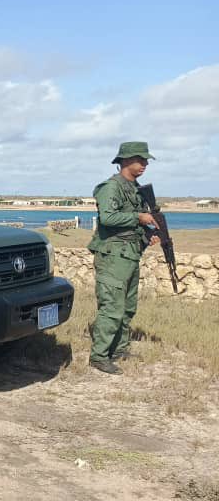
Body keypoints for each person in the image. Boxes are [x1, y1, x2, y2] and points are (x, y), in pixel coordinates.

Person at [87, 141, 161, 374]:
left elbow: (131, 223)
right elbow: (108, 218)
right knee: (112, 307)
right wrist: (139, 218)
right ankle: (99, 356)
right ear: (126, 160)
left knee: (128, 307)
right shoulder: (111, 187)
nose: (145, 164)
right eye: (142, 160)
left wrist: (147, 235)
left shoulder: (134, 188)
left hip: (129, 254)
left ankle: (119, 349)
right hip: (113, 256)